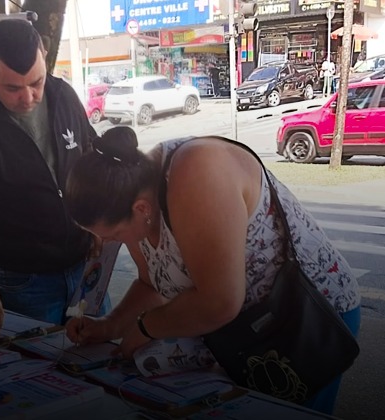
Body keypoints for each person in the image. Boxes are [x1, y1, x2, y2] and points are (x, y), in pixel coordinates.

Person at [63, 127, 361, 415]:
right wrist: (110, 325)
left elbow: (219, 302)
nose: (109, 243)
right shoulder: (133, 199)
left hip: (306, 315)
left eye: (113, 234)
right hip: (247, 332)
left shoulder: (196, 171)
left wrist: (145, 328)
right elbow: (152, 284)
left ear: (141, 209)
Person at [0, 19, 100, 342]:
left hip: (84, 268)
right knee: (39, 377)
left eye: (36, 82)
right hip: (25, 283)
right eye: (13, 88)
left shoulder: (64, 96)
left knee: (100, 362)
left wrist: (99, 224)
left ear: (44, 56)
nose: (29, 97)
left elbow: (90, 157)